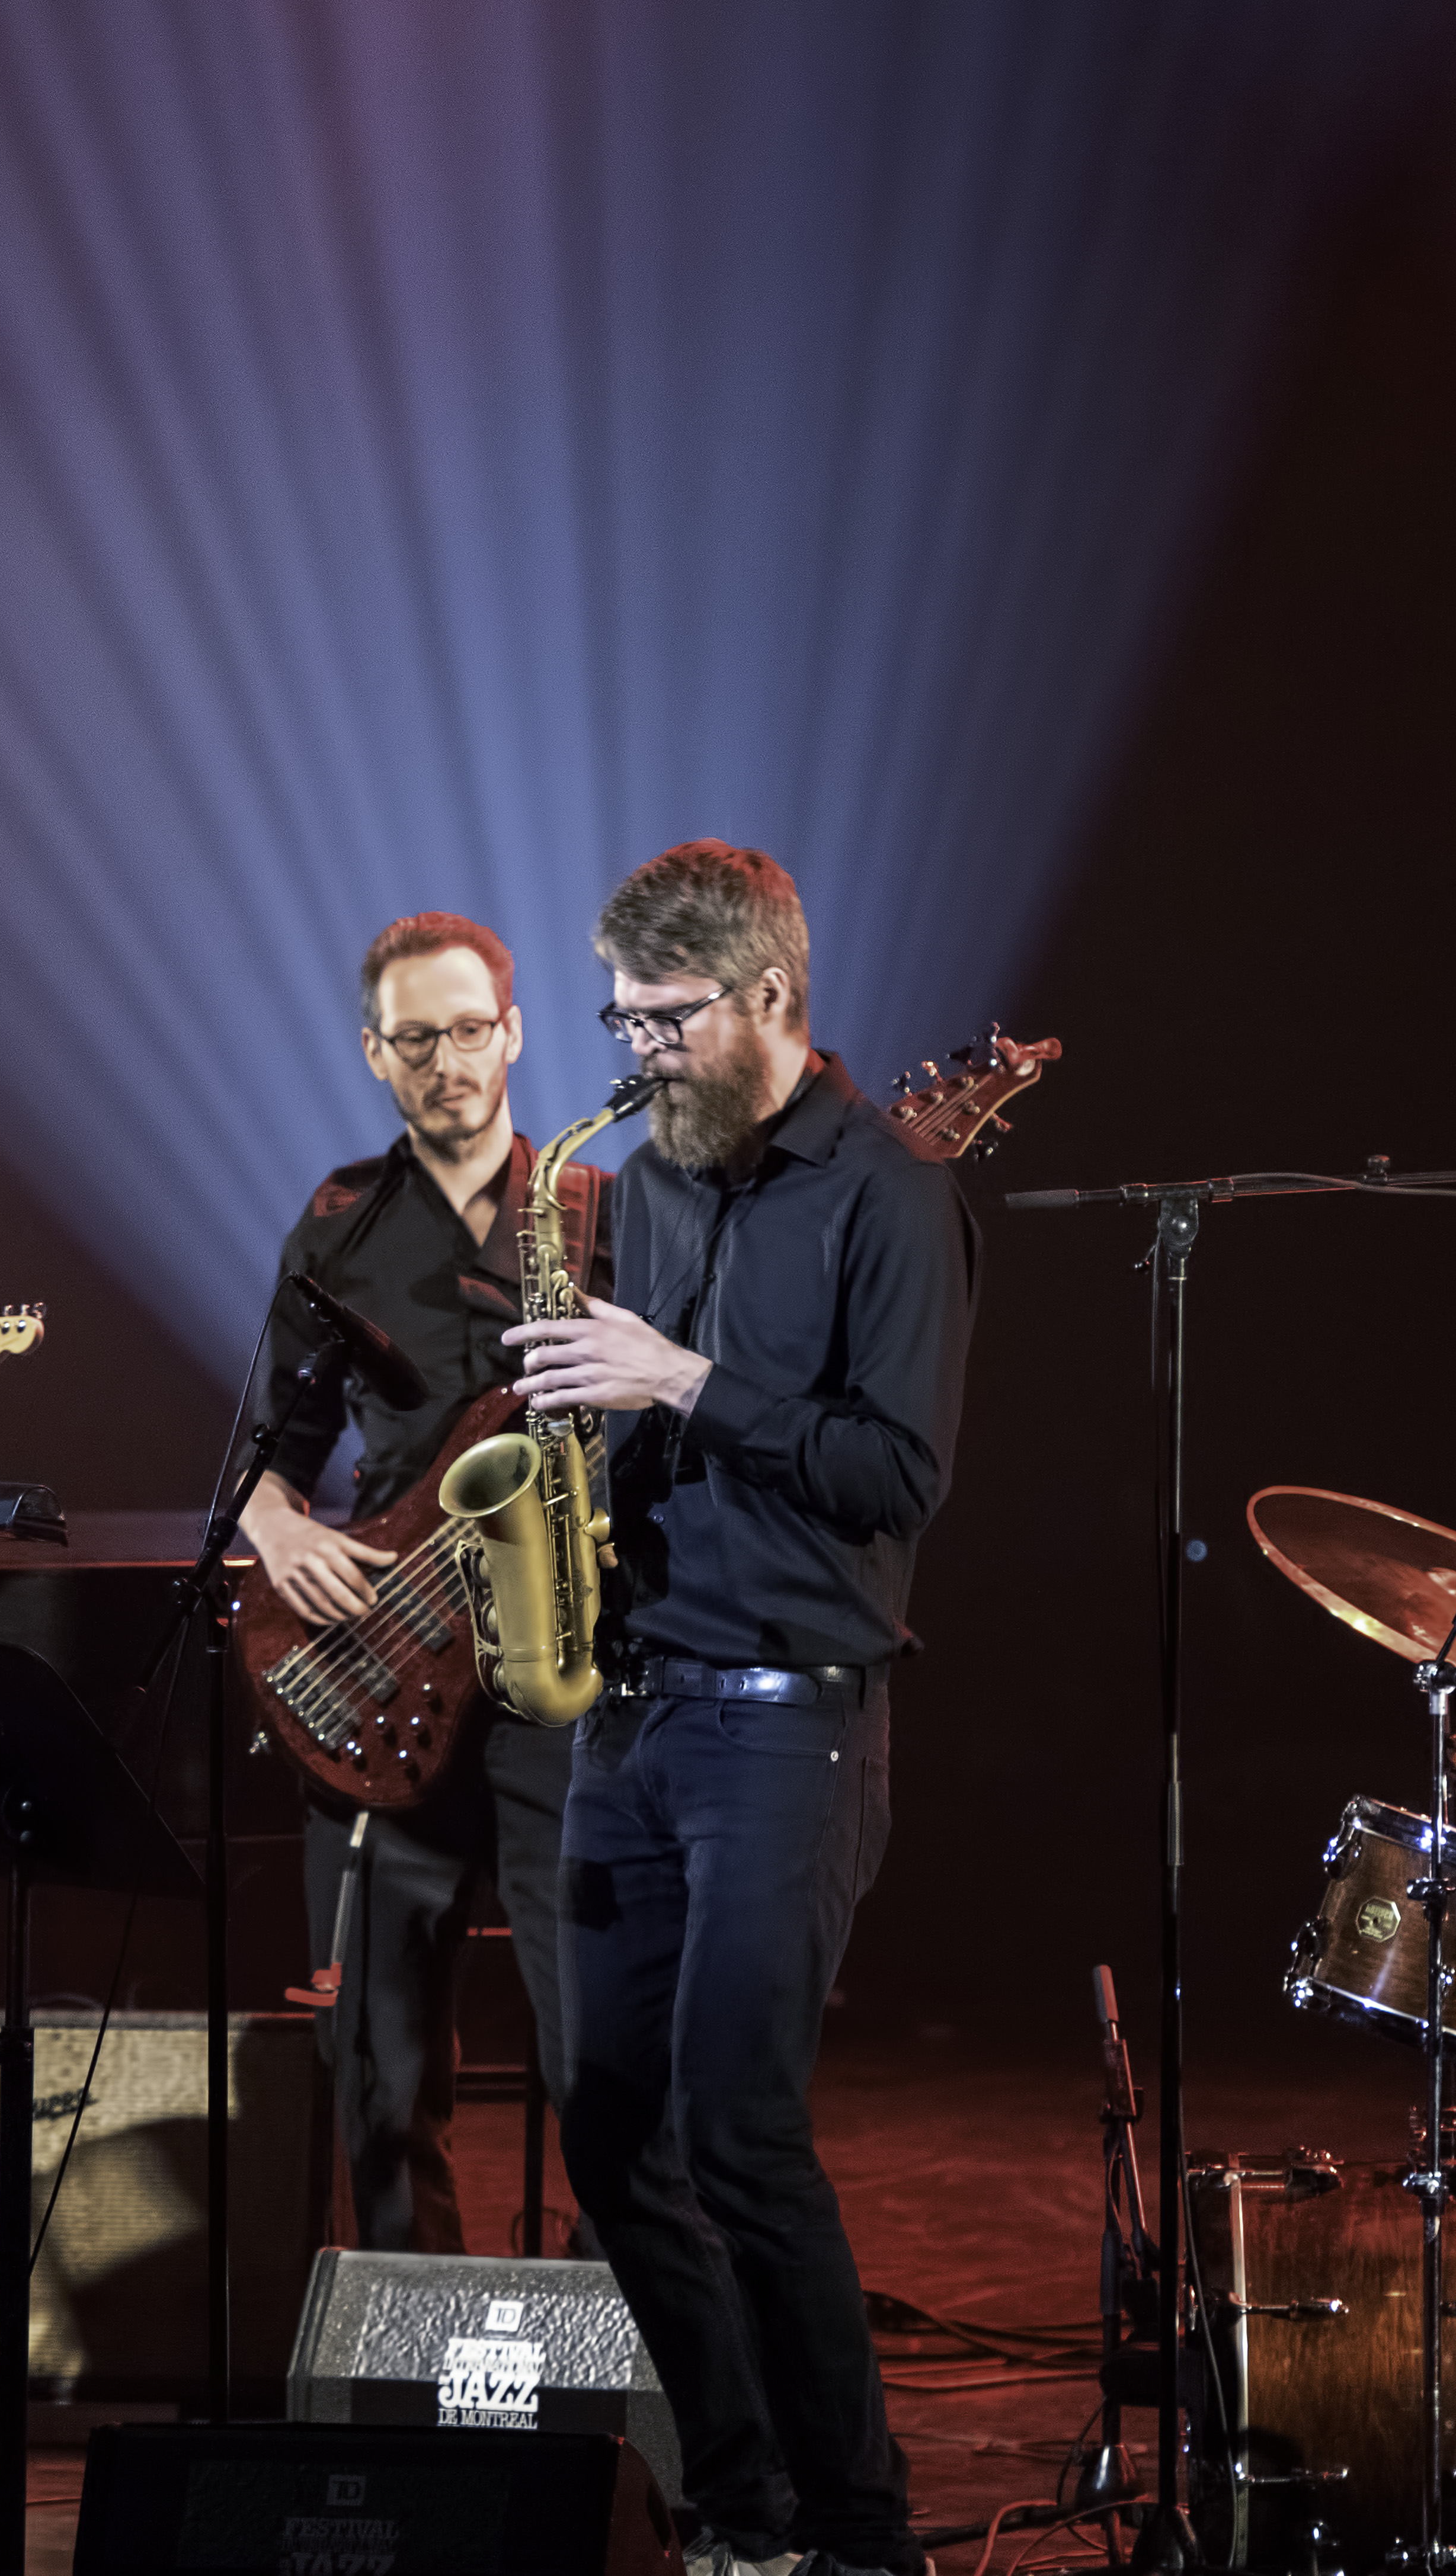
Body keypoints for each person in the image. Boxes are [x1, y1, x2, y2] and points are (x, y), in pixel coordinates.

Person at [503, 841, 980, 2576]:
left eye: (667, 1018)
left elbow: (895, 1473)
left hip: (794, 1712)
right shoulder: (642, 1180)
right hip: (629, 1705)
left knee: (737, 2120)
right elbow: (649, 1430)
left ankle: (862, 2529)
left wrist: (680, 1379)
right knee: (608, 2124)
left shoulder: (894, 1190)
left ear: (771, 994)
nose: (633, 1054)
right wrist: (577, 1435)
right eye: (619, 1016)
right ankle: (739, 2504)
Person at [239, 912, 597, 2254]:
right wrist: (277, 1530)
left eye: (465, 1029)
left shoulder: (608, 1211)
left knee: (597, 2045)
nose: (443, 1058)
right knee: (378, 2065)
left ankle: (615, 2362)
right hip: (388, 1658)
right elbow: (272, 1461)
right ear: (374, 1053)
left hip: (562, 1679)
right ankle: (407, 2382)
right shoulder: (334, 1228)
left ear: (511, 1032)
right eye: (413, 1038)